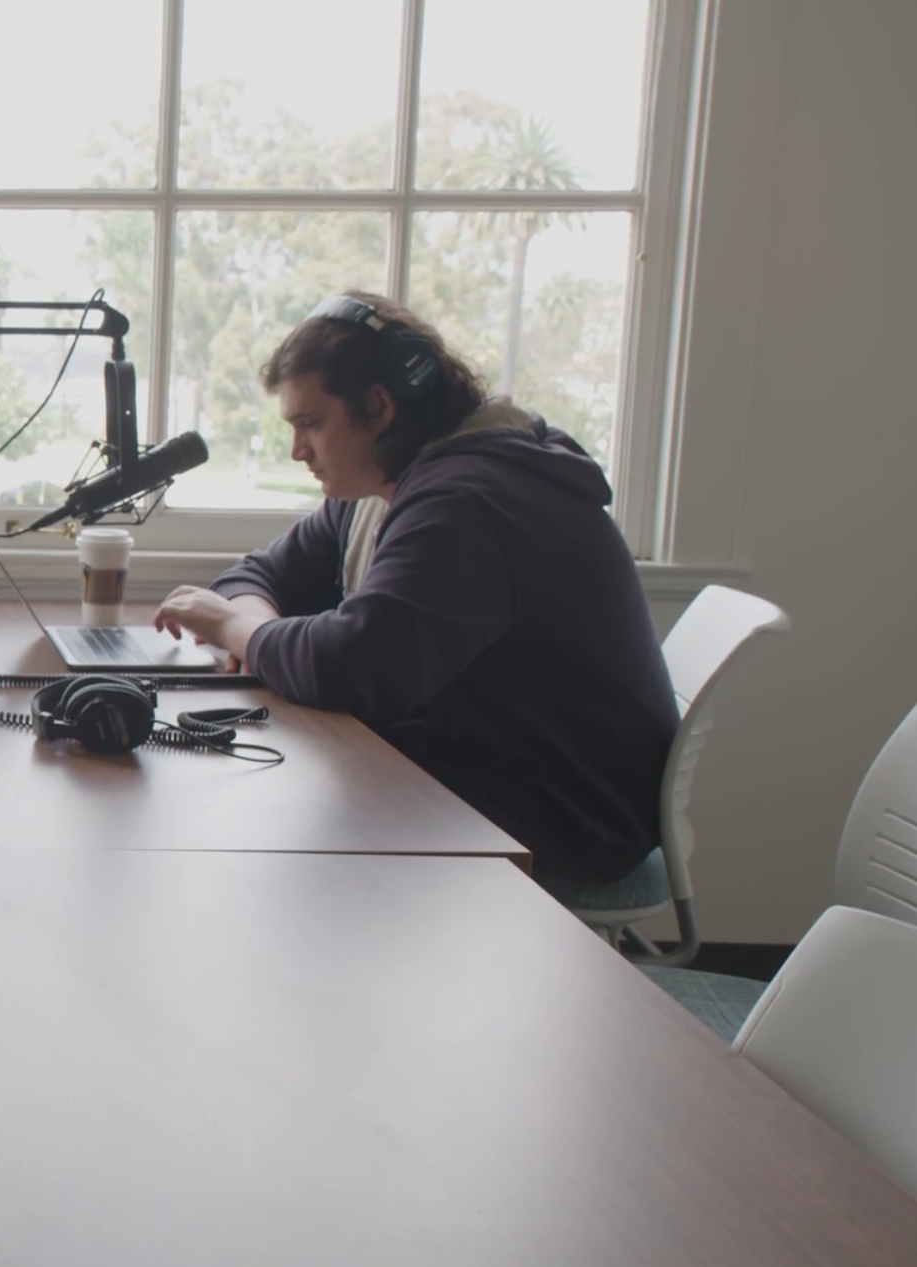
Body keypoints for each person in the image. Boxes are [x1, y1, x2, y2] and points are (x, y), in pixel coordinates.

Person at [153, 291, 678, 885]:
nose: (299, 450)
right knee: (265, 806)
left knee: (272, 834)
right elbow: (259, 574)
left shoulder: (468, 501)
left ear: (379, 407)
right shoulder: (388, 488)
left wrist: (234, 628)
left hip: (564, 815)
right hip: (484, 764)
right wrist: (249, 630)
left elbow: (349, 667)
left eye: (311, 424)